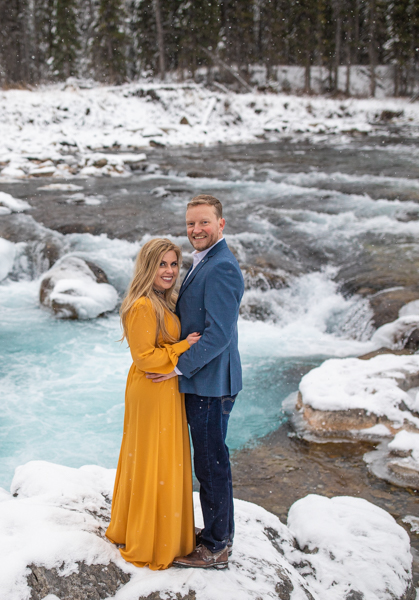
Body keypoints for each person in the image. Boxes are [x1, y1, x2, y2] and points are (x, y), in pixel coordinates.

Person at [148, 194, 244, 570]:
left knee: (210, 463)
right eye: (191, 224)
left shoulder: (221, 267)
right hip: (205, 381)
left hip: (210, 383)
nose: (196, 230)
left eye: (204, 222)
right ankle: (218, 534)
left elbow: (219, 335)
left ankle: (217, 546)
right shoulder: (204, 260)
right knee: (210, 460)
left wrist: (177, 367)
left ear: (221, 224)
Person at [105, 238, 202, 570]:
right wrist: (182, 348)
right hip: (151, 386)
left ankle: (159, 528)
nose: (170, 271)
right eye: (162, 264)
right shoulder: (143, 305)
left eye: (174, 264)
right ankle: (150, 537)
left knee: (162, 458)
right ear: (148, 266)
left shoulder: (164, 300)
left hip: (165, 385)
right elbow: (145, 358)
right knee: (152, 458)